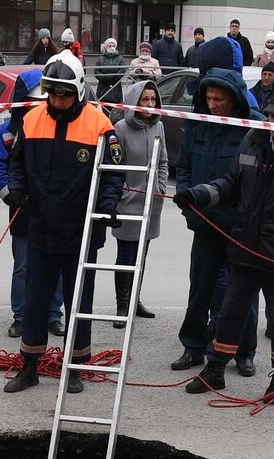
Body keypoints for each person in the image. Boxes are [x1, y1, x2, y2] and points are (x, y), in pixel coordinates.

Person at [175, 85, 274, 404]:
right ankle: (215, 368)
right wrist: (200, 195)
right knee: (230, 312)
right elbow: (231, 183)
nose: (268, 120)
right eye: (268, 113)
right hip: (245, 249)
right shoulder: (253, 140)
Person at [2, 53, 124, 394]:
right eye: (52, 94)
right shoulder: (31, 119)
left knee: (78, 302)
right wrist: (15, 189)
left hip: (82, 230)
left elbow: (113, 175)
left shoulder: (99, 123)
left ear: (79, 90)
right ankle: (29, 367)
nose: (57, 101)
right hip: (40, 226)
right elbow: (17, 164)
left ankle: (76, 368)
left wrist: (109, 203)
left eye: (64, 95)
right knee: (36, 299)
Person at [172, 66, 259, 377]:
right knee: (200, 289)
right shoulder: (198, 126)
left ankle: (244, 352)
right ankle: (192, 347)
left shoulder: (253, 128)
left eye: (219, 99)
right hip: (204, 223)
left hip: (239, 228)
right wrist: (186, 200)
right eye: (208, 98)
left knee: (243, 293)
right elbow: (182, 168)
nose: (212, 104)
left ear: (235, 99)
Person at [0, 69, 64, 339]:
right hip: (22, 208)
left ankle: (54, 315)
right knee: (23, 266)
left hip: (53, 208)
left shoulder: (59, 126)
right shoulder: (7, 132)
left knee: (55, 263)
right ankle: (21, 316)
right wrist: (12, 196)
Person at [108, 78, 168, 329]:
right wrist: (122, 194)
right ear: (134, 101)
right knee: (126, 255)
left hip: (151, 204)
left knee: (141, 256)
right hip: (128, 203)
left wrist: (160, 188)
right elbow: (113, 166)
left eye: (153, 99)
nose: (150, 104)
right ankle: (122, 304)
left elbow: (163, 162)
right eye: (145, 99)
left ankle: (135, 299)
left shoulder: (159, 127)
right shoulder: (120, 128)